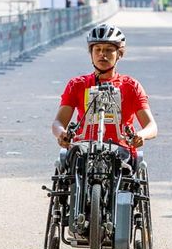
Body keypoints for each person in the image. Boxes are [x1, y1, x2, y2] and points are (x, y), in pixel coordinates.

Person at [52, 23, 157, 161]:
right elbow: (58, 122)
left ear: (119, 54)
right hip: (82, 149)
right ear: (91, 53)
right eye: (98, 49)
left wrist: (141, 135)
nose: (102, 54)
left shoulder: (131, 86)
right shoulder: (77, 85)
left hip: (120, 150)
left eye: (109, 50)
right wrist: (62, 133)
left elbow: (152, 126)